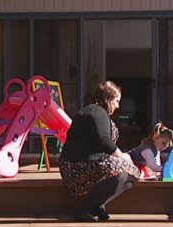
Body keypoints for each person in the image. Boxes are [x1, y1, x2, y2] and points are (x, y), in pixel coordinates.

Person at [59, 81, 140, 222]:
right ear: (107, 99)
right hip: (76, 164)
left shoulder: (100, 113)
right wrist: (122, 156)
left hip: (91, 162)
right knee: (121, 171)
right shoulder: (96, 112)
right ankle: (84, 210)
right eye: (116, 101)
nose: (118, 105)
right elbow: (103, 140)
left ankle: (98, 204)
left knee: (132, 175)